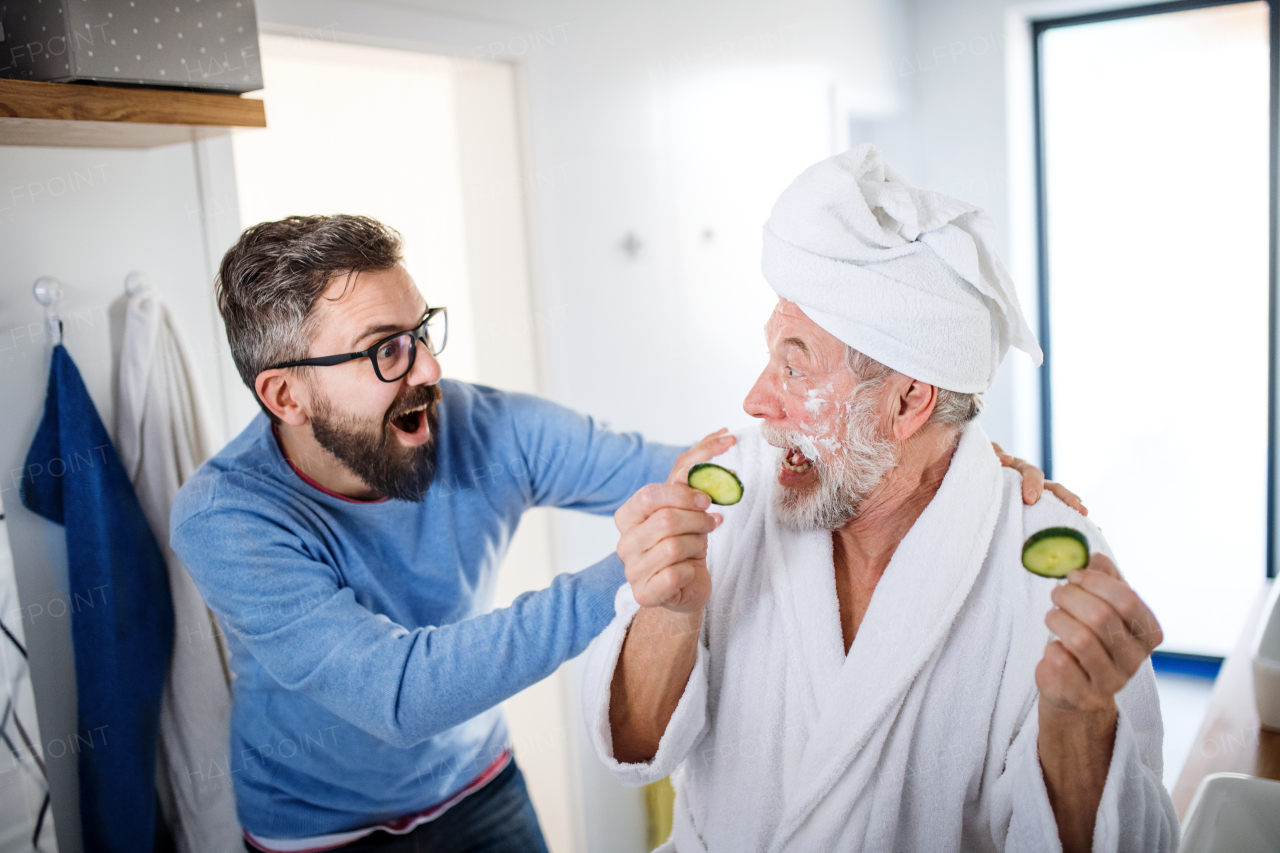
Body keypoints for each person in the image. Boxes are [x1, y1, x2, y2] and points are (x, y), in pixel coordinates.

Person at [171, 213, 1068, 851]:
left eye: (422, 331)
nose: (430, 369)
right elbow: (400, 696)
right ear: (285, 394)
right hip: (316, 825)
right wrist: (641, 576)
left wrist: (947, 469)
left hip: (476, 789)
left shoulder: (485, 426)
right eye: (384, 350)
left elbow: (694, 473)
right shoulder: (228, 518)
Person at [583, 145, 1176, 853]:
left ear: (907, 401)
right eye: (771, 355)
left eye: (795, 365)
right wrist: (668, 613)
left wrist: (1080, 720)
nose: (754, 400)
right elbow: (633, 747)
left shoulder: (1045, 567)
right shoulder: (728, 497)